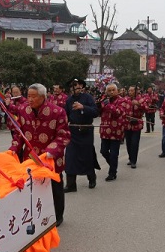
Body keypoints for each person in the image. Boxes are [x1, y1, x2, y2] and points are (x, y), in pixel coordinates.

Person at [9, 83, 70, 226]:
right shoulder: (23, 110)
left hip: (51, 158)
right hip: (30, 159)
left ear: (43, 97)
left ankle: (58, 215)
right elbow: (19, 133)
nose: (29, 99)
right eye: (28, 96)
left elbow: (64, 135)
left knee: (55, 187)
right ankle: (37, 214)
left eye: (33, 96)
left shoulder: (58, 112)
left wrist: (51, 151)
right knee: (33, 187)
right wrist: (14, 147)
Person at [63, 78, 100, 192]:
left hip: (86, 130)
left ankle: (92, 178)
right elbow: (66, 115)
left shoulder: (88, 98)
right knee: (70, 157)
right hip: (73, 131)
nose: (76, 87)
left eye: (78, 85)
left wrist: (83, 107)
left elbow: (95, 112)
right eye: (74, 85)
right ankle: (71, 184)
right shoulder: (69, 100)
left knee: (86, 156)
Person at [98, 83, 127, 181]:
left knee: (114, 154)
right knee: (103, 151)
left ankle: (112, 172)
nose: (111, 92)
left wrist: (108, 105)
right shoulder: (104, 100)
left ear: (117, 90)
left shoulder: (122, 101)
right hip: (105, 130)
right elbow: (98, 112)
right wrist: (98, 104)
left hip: (116, 131)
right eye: (109, 90)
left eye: (113, 90)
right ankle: (113, 165)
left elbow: (118, 112)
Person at [124, 85, 148, 168]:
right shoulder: (125, 99)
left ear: (136, 91)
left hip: (137, 124)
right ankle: (130, 158)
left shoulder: (141, 99)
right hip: (127, 124)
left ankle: (134, 160)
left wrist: (138, 104)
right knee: (128, 143)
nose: (130, 92)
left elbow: (146, 108)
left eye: (132, 90)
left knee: (134, 143)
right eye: (129, 90)